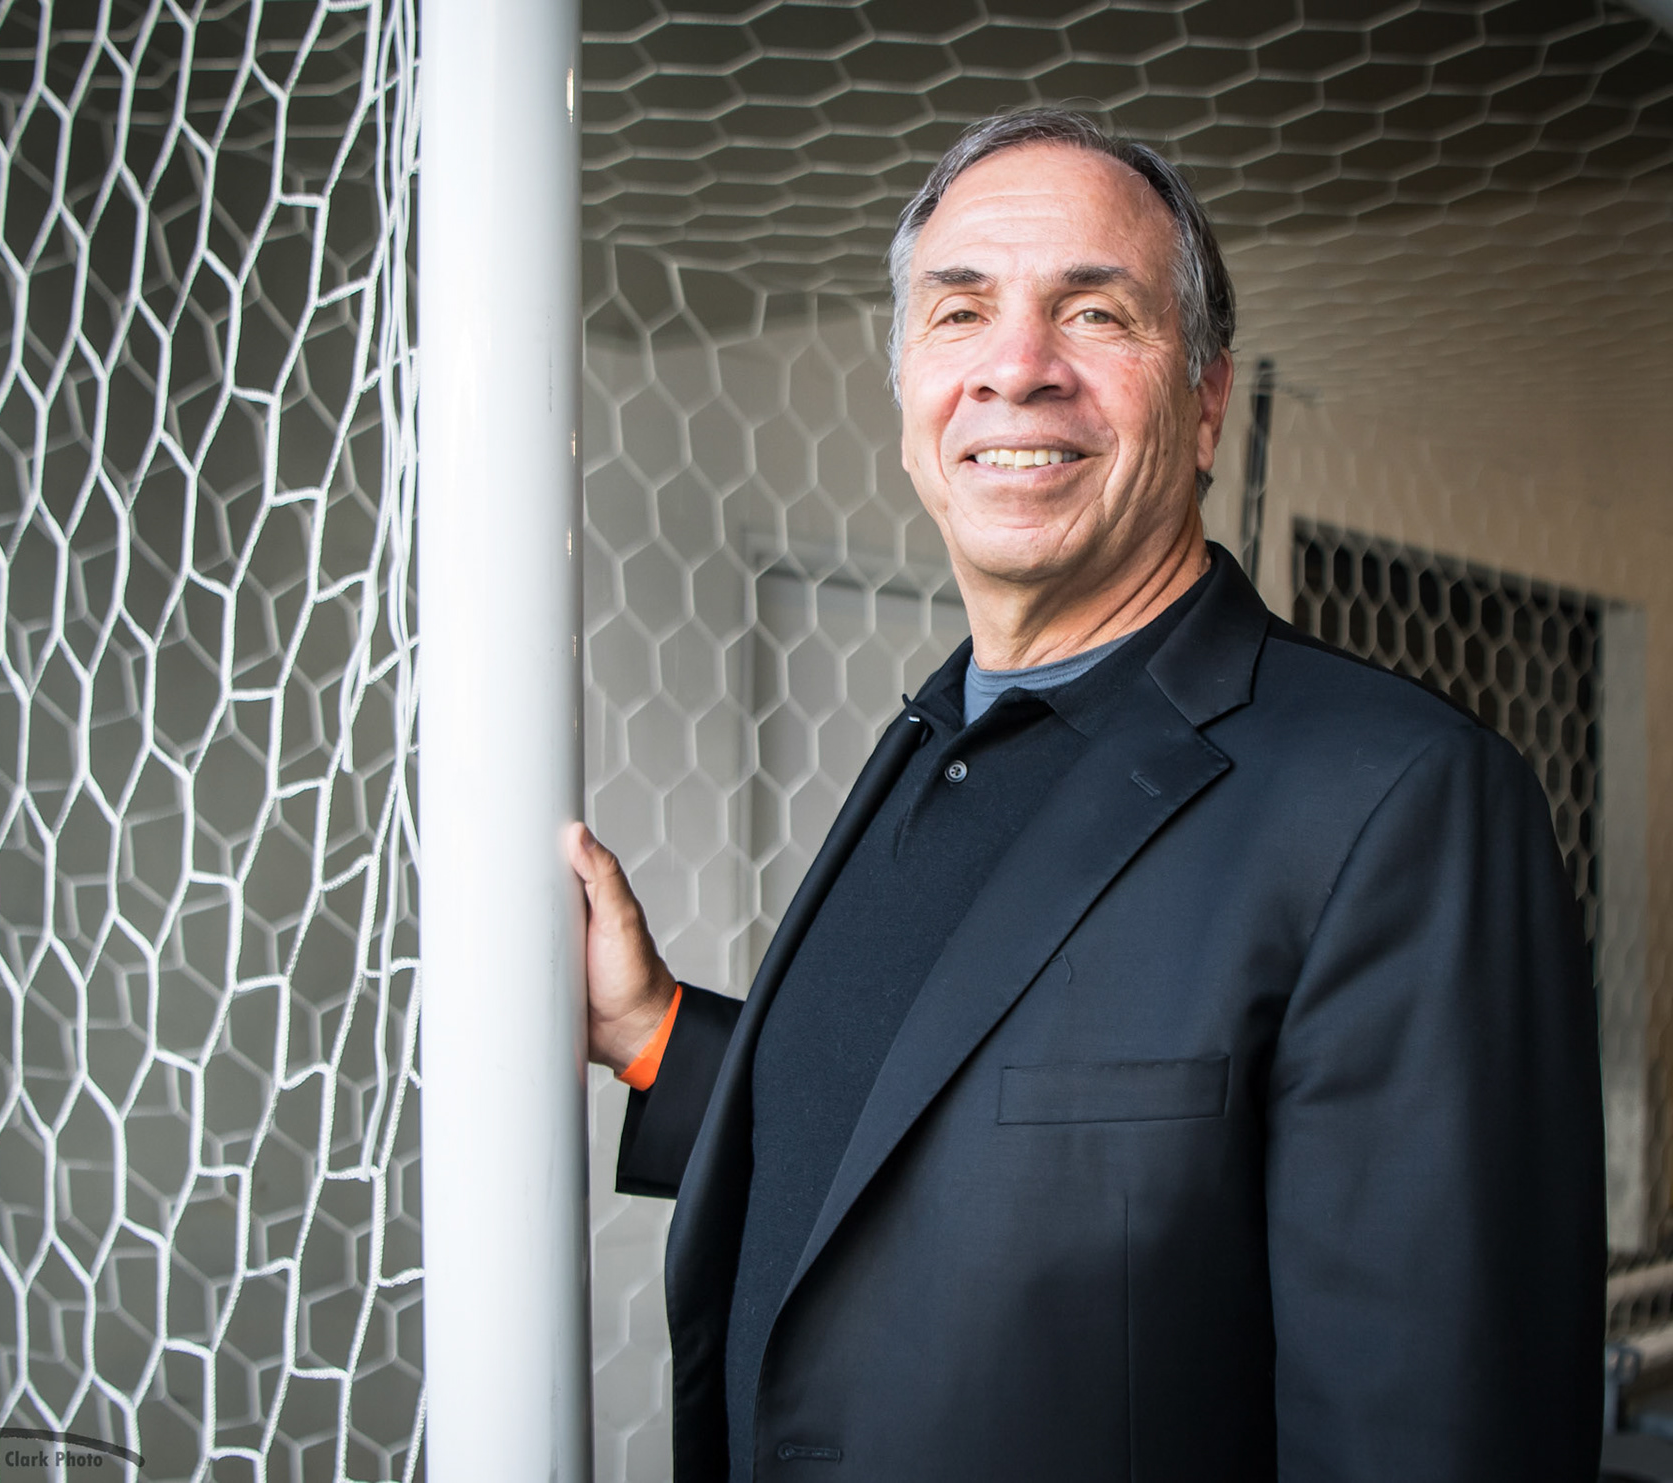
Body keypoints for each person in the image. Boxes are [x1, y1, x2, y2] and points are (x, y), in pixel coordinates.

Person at [567, 107, 1605, 1483]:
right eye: (959, 313)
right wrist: (649, 1034)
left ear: (1205, 405)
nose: (1016, 368)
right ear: (907, 402)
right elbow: (939, 1154)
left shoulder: (1399, 800)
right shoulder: (934, 740)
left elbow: (1437, 1434)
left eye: (1095, 313)